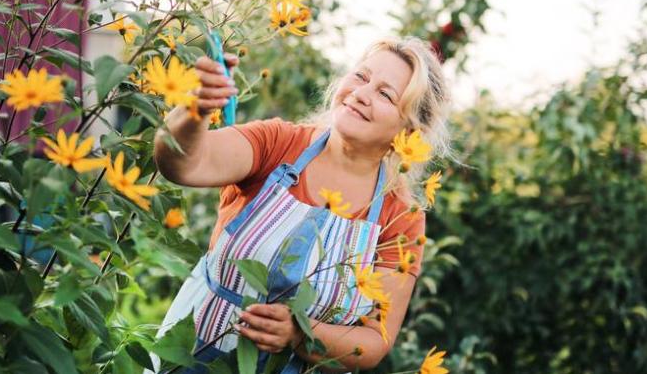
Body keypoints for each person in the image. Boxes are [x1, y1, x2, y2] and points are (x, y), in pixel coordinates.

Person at [150, 36, 451, 373]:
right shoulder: (279, 144)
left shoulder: (399, 216)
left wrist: (299, 333)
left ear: (409, 129)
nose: (361, 94)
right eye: (361, 77)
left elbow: (374, 340)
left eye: (385, 94)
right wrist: (196, 110)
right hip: (192, 354)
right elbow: (183, 164)